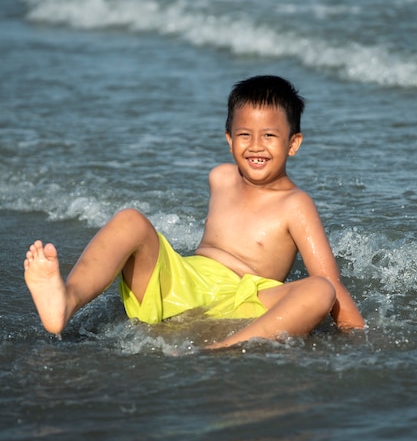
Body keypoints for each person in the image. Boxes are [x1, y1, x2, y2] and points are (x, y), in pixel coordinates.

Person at [23, 75, 364, 348]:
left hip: (247, 300)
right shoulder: (222, 178)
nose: (256, 145)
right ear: (229, 139)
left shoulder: (296, 204)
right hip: (183, 284)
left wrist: (357, 334)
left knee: (319, 289)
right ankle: (65, 300)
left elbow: (330, 281)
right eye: (245, 134)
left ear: (293, 143)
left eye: (270, 136)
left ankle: (229, 347)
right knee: (130, 220)